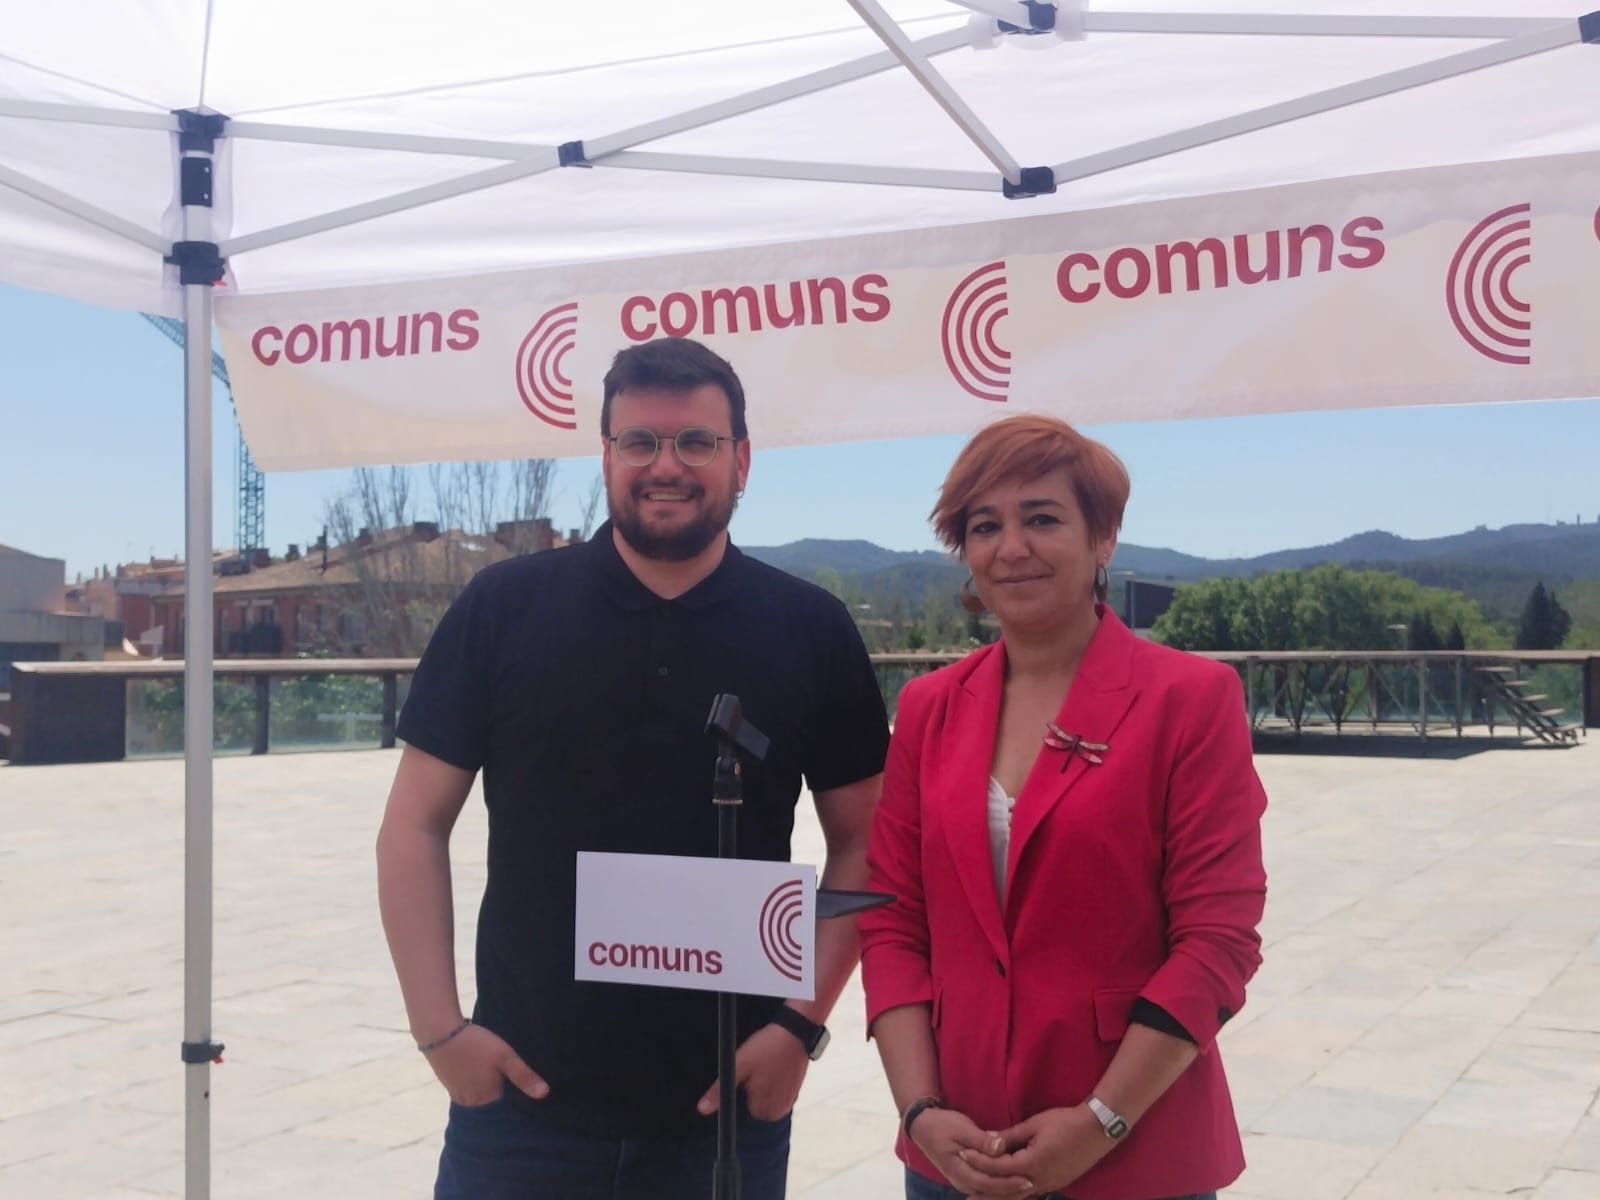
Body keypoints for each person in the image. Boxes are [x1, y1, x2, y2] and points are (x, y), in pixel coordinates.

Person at [376, 336, 889, 1199]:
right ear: (605, 456)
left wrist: (800, 1031)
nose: (667, 465)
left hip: (725, 1112)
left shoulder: (810, 628)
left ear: (743, 461)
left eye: (697, 441)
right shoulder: (504, 608)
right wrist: (439, 1031)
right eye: (640, 441)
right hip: (521, 1109)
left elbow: (868, 842)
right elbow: (413, 825)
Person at [858, 414, 1268, 1200]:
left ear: (1103, 538)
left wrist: (1102, 1119)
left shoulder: (1191, 699)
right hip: (957, 1156)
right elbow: (891, 921)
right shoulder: (928, 708)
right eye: (986, 526)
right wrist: (919, 1112)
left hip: (1135, 1151)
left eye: (1042, 518)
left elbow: (1217, 941)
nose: (1011, 547)